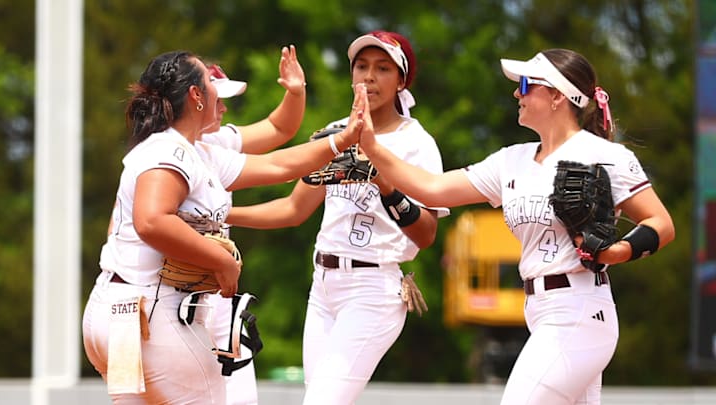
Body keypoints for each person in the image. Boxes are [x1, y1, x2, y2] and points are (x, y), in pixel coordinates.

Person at [358, 48, 675, 404]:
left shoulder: (605, 155)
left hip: (581, 309)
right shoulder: (512, 160)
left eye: (525, 84)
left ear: (557, 95)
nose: (516, 93)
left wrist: (618, 252)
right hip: (539, 311)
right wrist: (371, 146)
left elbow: (660, 223)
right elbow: (432, 188)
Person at [82, 49, 366, 404]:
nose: (220, 95)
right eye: (211, 84)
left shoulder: (194, 150)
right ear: (195, 95)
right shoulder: (170, 150)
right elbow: (151, 221)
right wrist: (222, 263)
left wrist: (341, 140)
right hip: (154, 315)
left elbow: (277, 165)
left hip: (122, 313)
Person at [226, 30, 449, 404]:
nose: (369, 77)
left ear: (401, 81)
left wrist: (383, 182)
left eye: (382, 68)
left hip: (373, 288)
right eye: (361, 66)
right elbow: (293, 209)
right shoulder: (336, 134)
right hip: (323, 287)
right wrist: (219, 215)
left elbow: (426, 235)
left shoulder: (417, 143)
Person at [202, 47, 307, 405]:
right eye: (218, 98)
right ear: (192, 99)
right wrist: (340, 142)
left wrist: (296, 92)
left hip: (214, 302)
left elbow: (280, 127)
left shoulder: (215, 141)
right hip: (173, 303)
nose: (224, 107)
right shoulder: (164, 153)